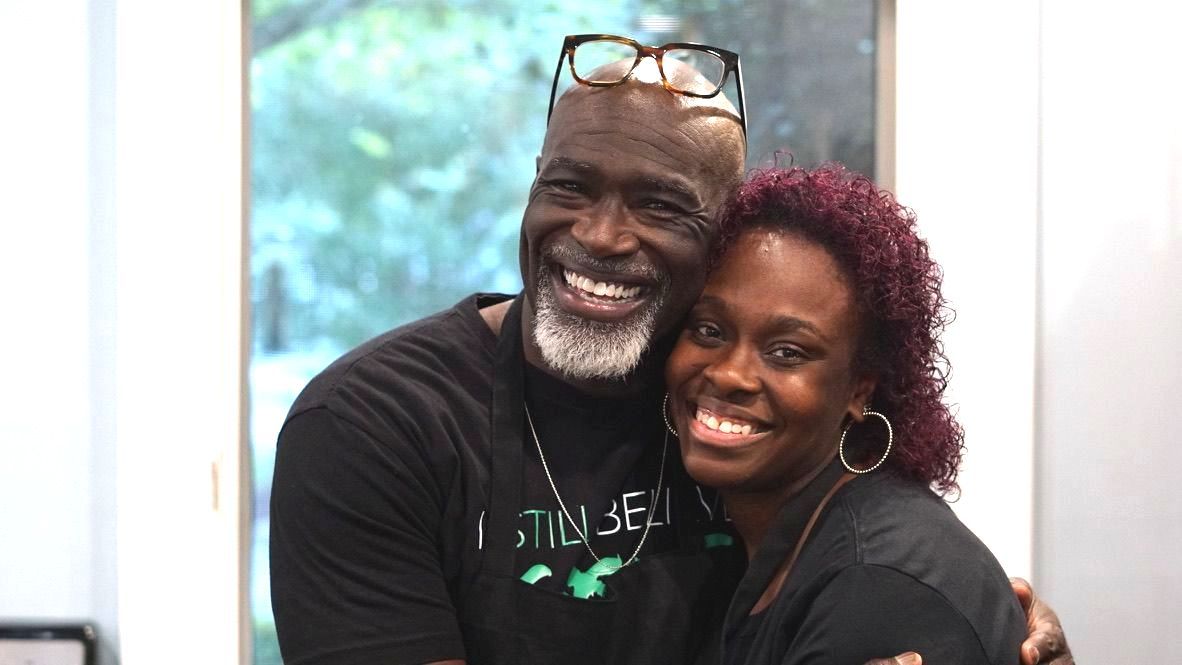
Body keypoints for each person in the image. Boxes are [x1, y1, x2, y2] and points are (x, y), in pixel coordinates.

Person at [269, 34, 1072, 665]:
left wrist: (970, 618)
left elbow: (896, 573)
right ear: (534, 183)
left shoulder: (724, 400)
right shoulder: (374, 425)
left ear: (723, 234)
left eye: (658, 204)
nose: (600, 235)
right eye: (570, 185)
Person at [663, 164, 1031, 664]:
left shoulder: (877, 584)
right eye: (709, 330)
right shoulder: (781, 534)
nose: (729, 374)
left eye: (787, 352)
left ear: (860, 390)